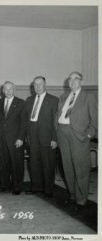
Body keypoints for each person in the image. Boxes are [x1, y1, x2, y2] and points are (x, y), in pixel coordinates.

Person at [56, 71, 97, 210]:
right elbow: (58, 114)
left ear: (81, 81)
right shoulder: (63, 96)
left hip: (79, 135)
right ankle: (73, 193)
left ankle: (82, 197)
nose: (72, 81)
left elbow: (96, 120)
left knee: (81, 167)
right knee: (67, 166)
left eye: (76, 79)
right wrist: (57, 130)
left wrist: (89, 135)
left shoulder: (89, 97)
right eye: (70, 79)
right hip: (62, 133)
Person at [23, 76, 58, 198]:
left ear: (45, 85)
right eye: (35, 84)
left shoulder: (53, 100)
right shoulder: (29, 99)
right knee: (34, 163)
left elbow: (56, 122)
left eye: (40, 84)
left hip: (47, 137)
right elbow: (26, 120)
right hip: (32, 136)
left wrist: (54, 138)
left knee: (48, 164)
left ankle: (48, 190)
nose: (37, 87)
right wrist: (26, 136)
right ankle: (36, 187)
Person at [0, 81, 26, 194]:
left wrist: (21, 138)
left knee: (16, 163)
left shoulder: (21, 103)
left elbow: (24, 123)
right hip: (2, 137)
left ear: (14, 90)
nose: (8, 91)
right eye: (6, 89)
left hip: (15, 138)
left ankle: (17, 186)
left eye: (10, 89)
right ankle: (4, 184)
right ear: (2, 91)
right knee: (3, 162)